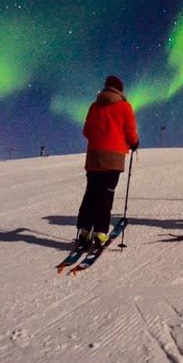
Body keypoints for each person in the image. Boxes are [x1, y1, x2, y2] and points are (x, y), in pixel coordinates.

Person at [77, 75, 139, 248]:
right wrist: (133, 143)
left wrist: (98, 140)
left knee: (91, 193)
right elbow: (130, 131)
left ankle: (84, 231)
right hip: (113, 158)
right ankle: (100, 233)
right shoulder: (124, 107)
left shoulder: (95, 106)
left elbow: (87, 130)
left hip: (94, 157)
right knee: (106, 194)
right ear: (120, 90)